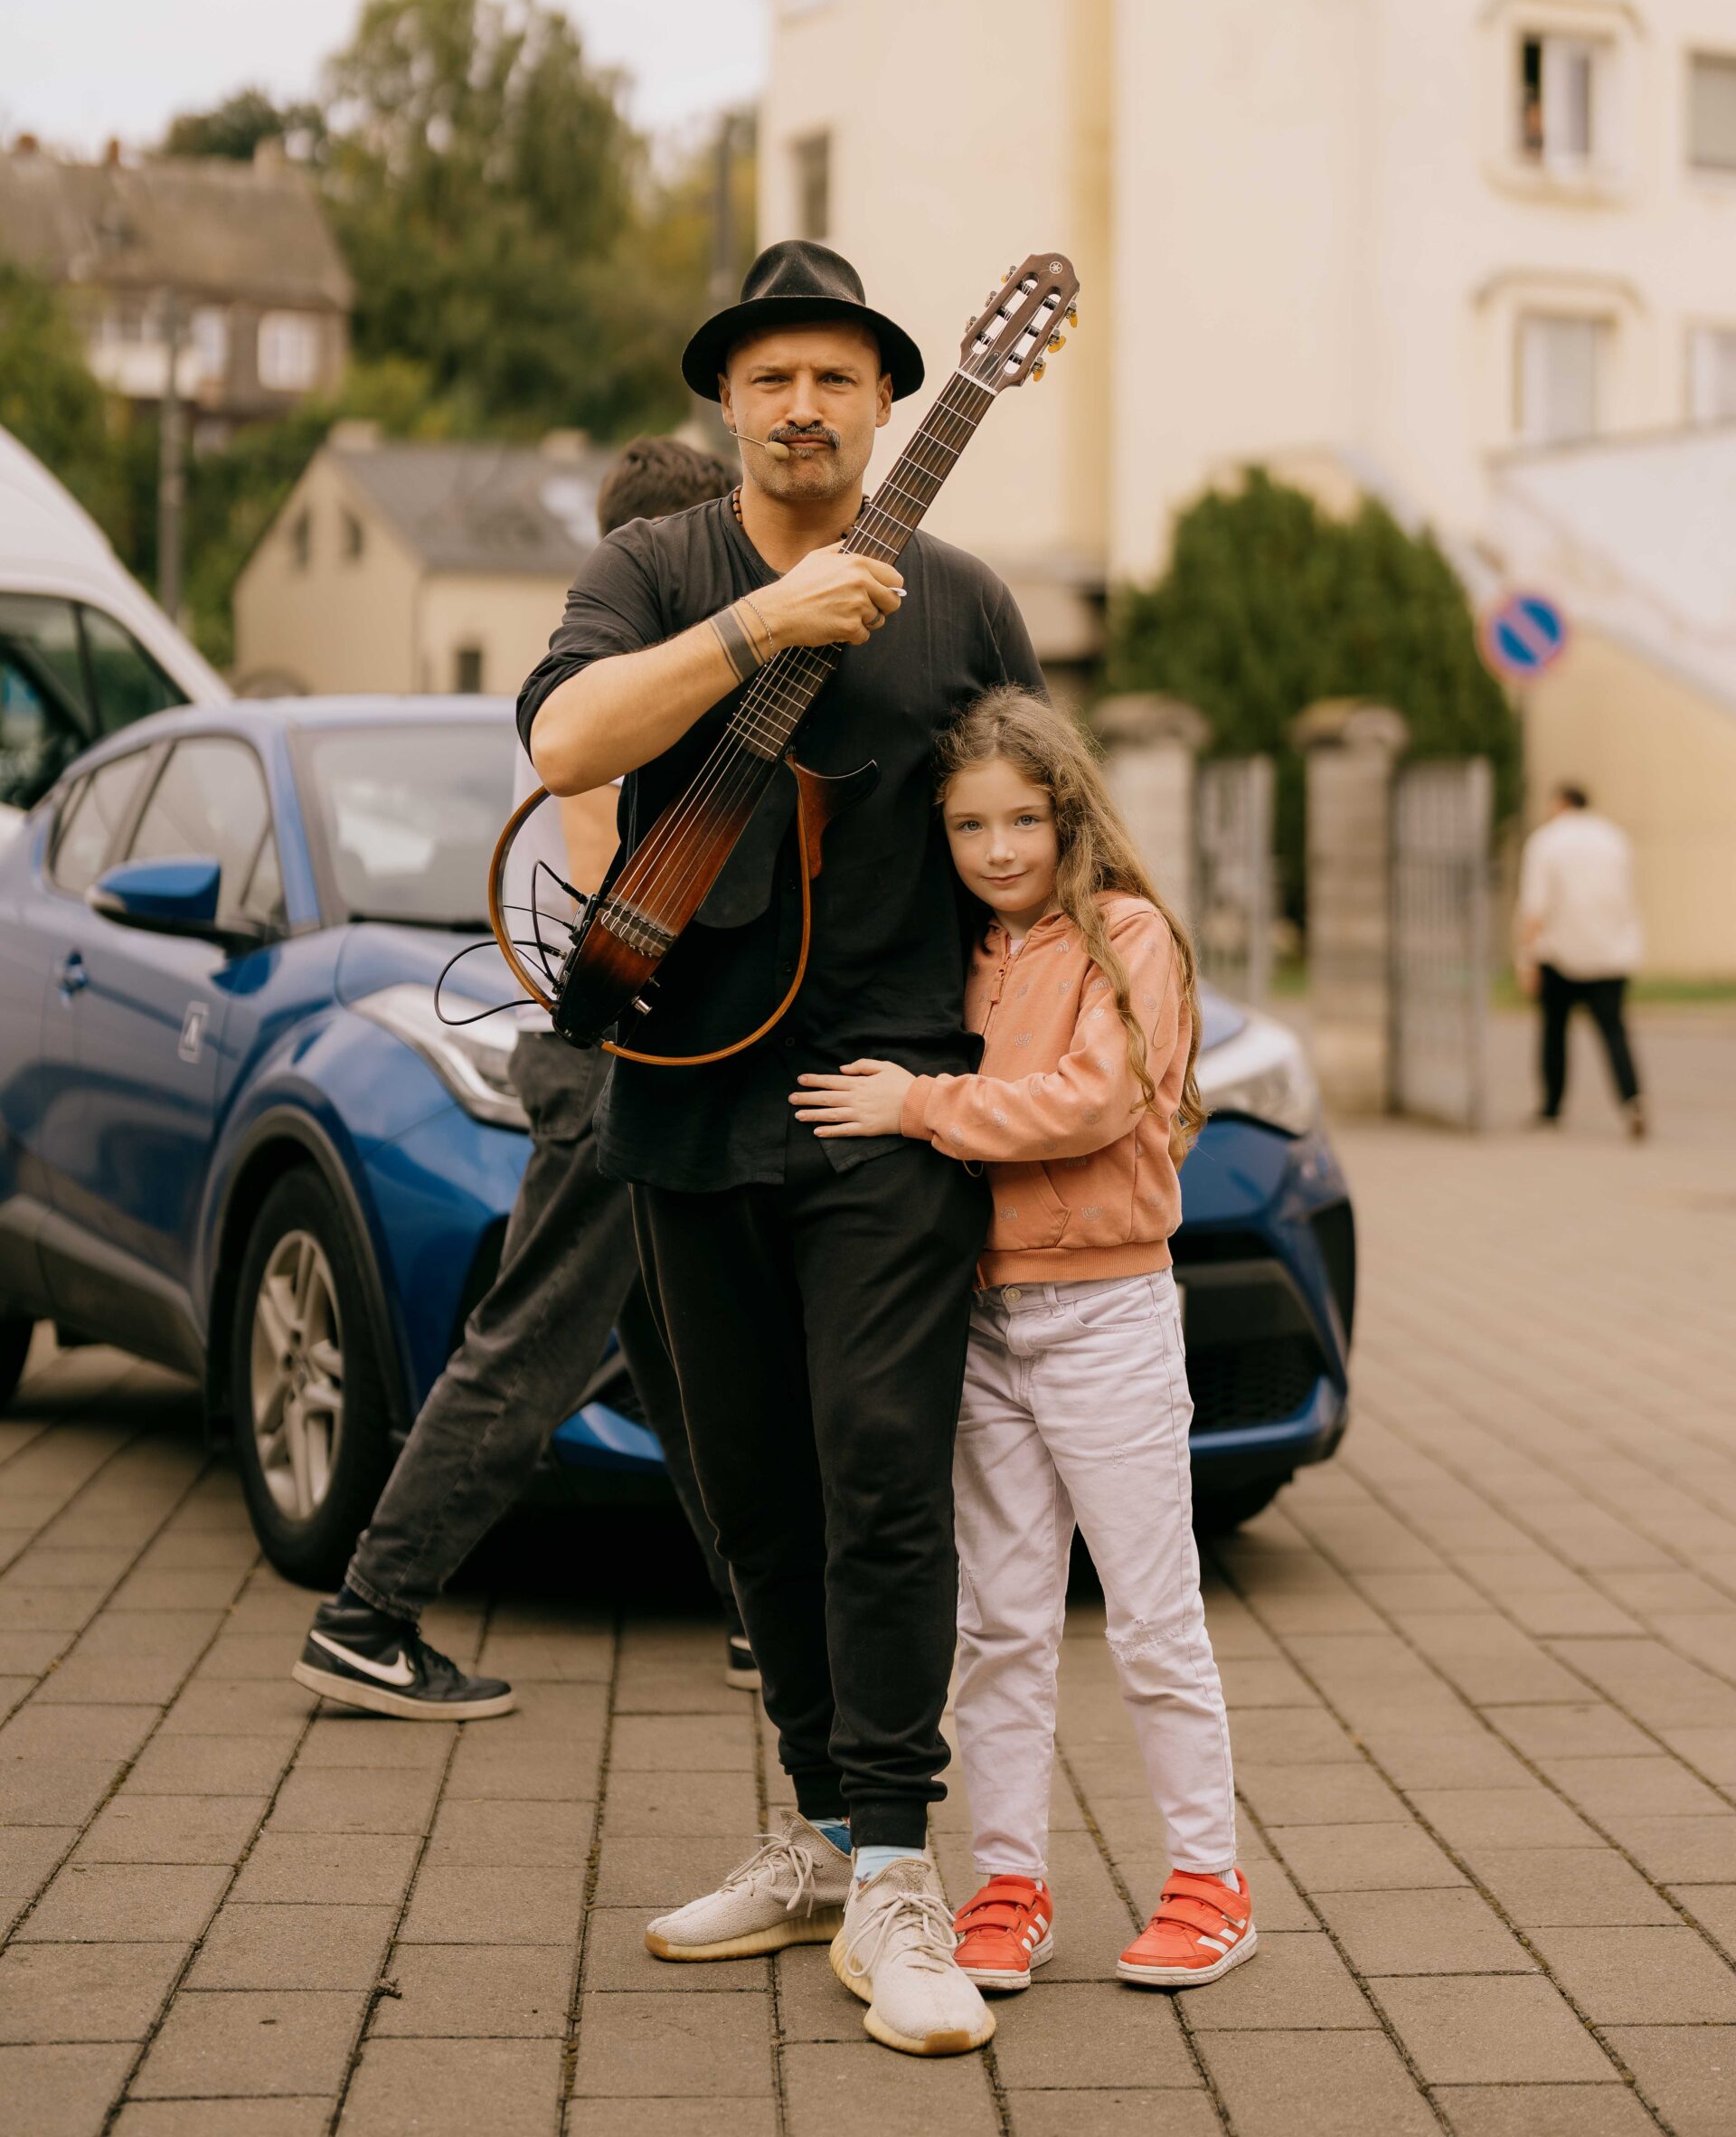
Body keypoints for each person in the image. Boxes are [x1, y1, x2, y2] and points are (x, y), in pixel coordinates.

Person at [521, 241, 1045, 2057]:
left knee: (884, 1467)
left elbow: (1034, 837)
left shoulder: (967, 597)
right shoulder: (655, 568)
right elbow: (568, 733)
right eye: (772, 379)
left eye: (836, 376)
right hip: (684, 1091)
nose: (804, 405)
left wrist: (1084, 1039)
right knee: (749, 1492)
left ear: (893, 397)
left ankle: (903, 1863)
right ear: (726, 404)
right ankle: (821, 1828)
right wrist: (760, 626)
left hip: (887, 1103)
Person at [795, 686, 1253, 1997]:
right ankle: (1007, 1886)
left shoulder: (1127, 936)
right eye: (968, 827)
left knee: (1152, 1620)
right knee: (999, 1625)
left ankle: (1209, 1883)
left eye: (1023, 820)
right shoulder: (966, 954)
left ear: (1071, 814)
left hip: (1107, 1316)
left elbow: (1092, 1103)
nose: (998, 850)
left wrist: (918, 1105)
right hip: (986, 1321)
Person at [293, 436, 751, 1723]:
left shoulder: (593, 671)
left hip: (599, 1050)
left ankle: (765, 1617)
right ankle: (368, 1616)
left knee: (682, 1344)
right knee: (535, 1337)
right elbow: (604, 852)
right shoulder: (614, 675)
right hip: (616, 1053)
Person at [1514, 783, 1646, 1139]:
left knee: (1554, 1032)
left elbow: (1535, 906)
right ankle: (1632, 1100)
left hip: (1560, 953)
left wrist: (1526, 959)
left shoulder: (1546, 840)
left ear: (1559, 803)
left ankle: (1552, 1108)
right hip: (1611, 953)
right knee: (1614, 1032)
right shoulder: (1614, 838)